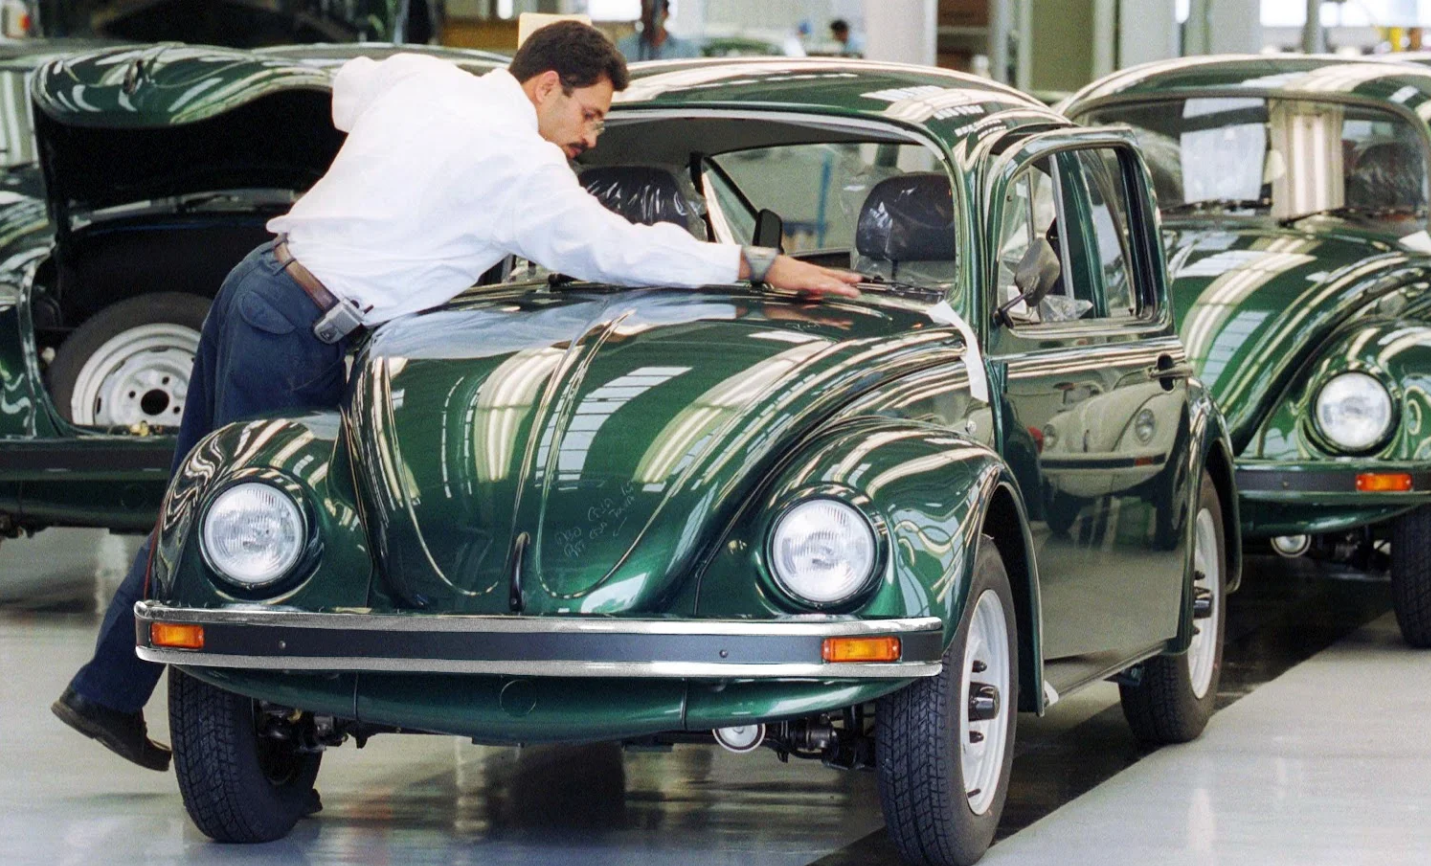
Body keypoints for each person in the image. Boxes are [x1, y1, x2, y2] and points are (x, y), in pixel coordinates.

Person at [52, 20, 860, 771]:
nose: (590, 137)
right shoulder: (518, 165)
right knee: (254, 520)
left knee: (195, 498)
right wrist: (753, 265)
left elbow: (348, 89)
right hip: (304, 323)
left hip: (258, 283)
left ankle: (109, 694)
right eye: (589, 115)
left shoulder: (426, 79)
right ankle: (196, 728)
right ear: (545, 86)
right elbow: (613, 249)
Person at [618, 0, 699, 61]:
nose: (649, 16)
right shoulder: (624, 49)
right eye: (645, 9)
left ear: (666, 13)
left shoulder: (687, 51)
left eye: (654, 10)